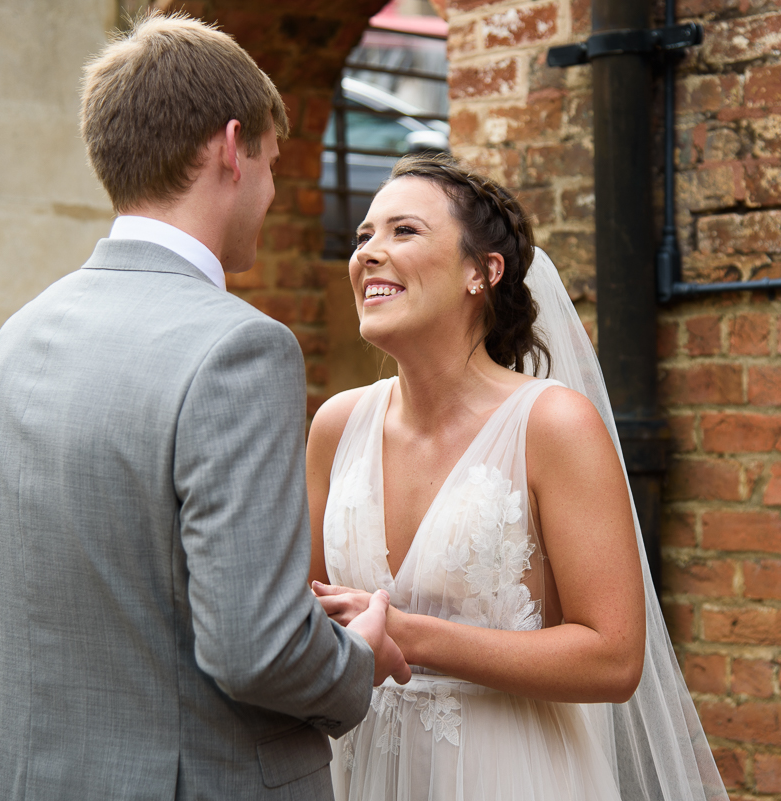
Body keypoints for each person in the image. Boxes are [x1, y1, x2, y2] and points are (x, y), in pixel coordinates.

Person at [0, 14, 407, 800]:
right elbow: (256, 650)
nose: (270, 189)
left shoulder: (7, 346)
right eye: (270, 161)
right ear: (233, 147)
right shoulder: (240, 349)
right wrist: (356, 658)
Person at [306, 153, 728, 800]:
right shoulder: (336, 425)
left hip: (506, 772)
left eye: (404, 231)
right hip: (358, 769)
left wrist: (409, 634)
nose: (369, 253)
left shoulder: (553, 424)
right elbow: (306, 611)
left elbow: (613, 657)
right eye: (364, 235)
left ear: (483, 271)